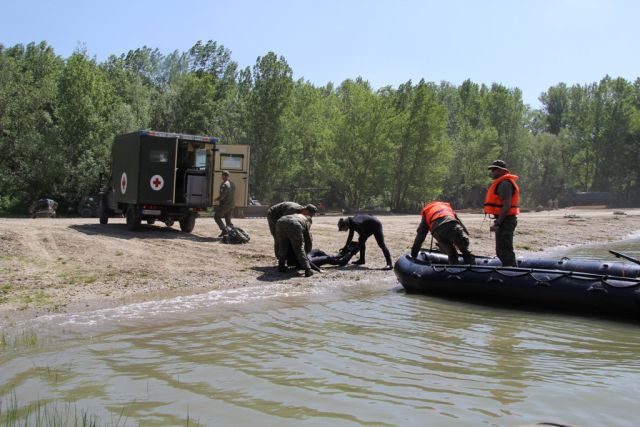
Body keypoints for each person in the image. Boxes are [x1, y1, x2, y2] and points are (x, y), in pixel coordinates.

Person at [410, 201, 475, 264]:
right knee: (465, 251)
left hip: (437, 231)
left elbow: (421, 235)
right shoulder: (446, 207)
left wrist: (414, 254)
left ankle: (453, 268)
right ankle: (472, 267)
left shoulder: (427, 211)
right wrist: (466, 233)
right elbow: (459, 222)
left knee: (452, 254)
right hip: (452, 226)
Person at [484, 159, 520, 267]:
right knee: (501, 251)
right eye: (492, 169)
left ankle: (512, 272)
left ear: (502, 170)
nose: (492, 172)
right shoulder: (502, 182)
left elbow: (506, 206)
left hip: (506, 220)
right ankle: (509, 269)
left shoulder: (505, 184)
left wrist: (498, 222)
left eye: (494, 169)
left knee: (505, 250)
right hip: (504, 219)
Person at [214, 170, 235, 236]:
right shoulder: (232, 184)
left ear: (223, 176)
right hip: (231, 204)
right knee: (227, 218)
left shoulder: (225, 184)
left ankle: (224, 230)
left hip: (225, 205)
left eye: (222, 175)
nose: (222, 176)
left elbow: (222, 196)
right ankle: (233, 233)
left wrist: (216, 199)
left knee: (216, 216)